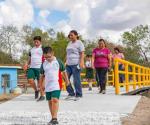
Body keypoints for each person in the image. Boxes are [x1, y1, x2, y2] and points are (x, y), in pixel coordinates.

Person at [39, 46, 70, 125]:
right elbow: (42, 76)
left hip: (56, 84)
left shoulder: (58, 61)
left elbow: (64, 72)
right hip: (47, 85)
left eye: (49, 57)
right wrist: (41, 85)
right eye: (45, 57)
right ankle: (52, 117)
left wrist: (67, 81)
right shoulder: (44, 64)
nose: (47, 59)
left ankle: (54, 118)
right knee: (50, 101)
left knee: (55, 100)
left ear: (52, 53)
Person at [66, 30, 85, 100]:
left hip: (76, 63)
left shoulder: (79, 43)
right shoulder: (69, 43)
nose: (70, 36)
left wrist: (81, 62)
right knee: (66, 78)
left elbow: (82, 53)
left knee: (76, 80)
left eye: (72, 35)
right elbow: (67, 54)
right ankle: (71, 93)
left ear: (76, 35)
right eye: (69, 35)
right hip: (68, 64)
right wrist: (65, 62)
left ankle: (79, 94)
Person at [26, 36, 45, 101]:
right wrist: (27, 64)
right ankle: (36, 90)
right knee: (30, 80)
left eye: (37, 42)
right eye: (35, 42)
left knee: (40, 83)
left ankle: (42, 96)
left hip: (40, 67)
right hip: (32, 67)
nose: (36, 43)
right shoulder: (32, 49)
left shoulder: (43, 48)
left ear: (40, 41)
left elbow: (47, 56)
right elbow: (29, 58)